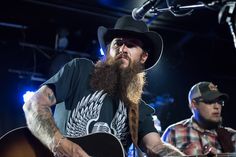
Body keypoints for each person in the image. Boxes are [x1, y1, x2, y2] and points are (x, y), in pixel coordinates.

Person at [23, 15, 184, 157]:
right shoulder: (81, 70)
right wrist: (59, 144)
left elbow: (156, 147)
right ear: (108, 51)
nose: (123, 49)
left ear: (143, 57)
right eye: (118, 43)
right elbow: (34, 104)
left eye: (131, 44)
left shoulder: (138, 109)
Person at [162, 81, 236, 156]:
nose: (217, 107)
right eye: (210, 101)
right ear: (193, 105)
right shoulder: (173, 132)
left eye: (219, 102)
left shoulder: (232, 136)